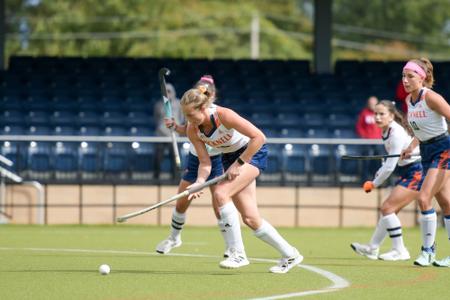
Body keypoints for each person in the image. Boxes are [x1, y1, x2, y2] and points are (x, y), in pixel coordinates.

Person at [180, 76, 302, 274]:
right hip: (230, 158)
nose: (188, 120)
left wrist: (239, 163)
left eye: (191, 115)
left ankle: (238, 254)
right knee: (250, 218)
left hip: (251, 153)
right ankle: (291, 254)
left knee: (220, 194)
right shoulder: (192, 129)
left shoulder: (223, 115)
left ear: (202, 108)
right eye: (185, 116)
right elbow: (204, 162)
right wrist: (199, 182)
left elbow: (259, 137)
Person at [155, 76, 238, 258]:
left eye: (206, 91)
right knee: (182, 201)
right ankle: (174, 238)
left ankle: (231, 247)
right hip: (195, 160)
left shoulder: (217, 114)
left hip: (215, 160)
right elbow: (188, 130)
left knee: (219, 204)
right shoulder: (194, 114)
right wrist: (176, 126)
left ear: (212, 94)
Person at [351, 100, 422, 261]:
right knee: (390, 211)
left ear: (391, 116)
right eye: (375, 113)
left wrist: (374, 183)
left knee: (387, 208)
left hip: (416, 172)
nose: (377, 117)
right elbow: (388, 162)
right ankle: (372, 248)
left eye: (381, 114)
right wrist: (377, 174)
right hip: (406, 171)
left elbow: (390, 166)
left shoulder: (395, 132)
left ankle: (400, 250)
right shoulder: (386, 131)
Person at [400, 58, 450, 267]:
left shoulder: (431, 97)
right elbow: (420, 132)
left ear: (423, 77)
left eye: (410, 76)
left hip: (443, 149)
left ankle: (428, 251)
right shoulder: (408, 101)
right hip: (426, 151)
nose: (405, 80)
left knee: (423, 198)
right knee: (446, 202)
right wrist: (410, 147)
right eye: (403, 76)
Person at [153, 83, 184, 180]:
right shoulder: (158, 104)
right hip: (160, 136)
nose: (167, 93)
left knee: (175, 158)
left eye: (169, 91)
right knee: (158, 158)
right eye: (165, 91)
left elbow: (182, 118)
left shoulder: (179, 103)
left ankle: (175, 178)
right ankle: (156, 178)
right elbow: (156, 119)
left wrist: (176, 127)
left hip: (174, 135)